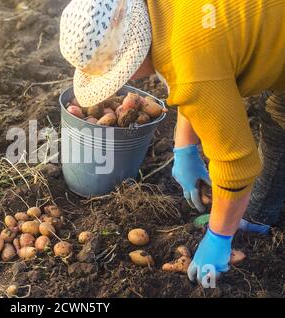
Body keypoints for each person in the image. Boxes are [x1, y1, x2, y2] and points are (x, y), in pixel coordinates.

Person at [59, 0, 284, 284]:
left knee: (278, 118)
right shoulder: (165, 12)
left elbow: (236, 165)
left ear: (132, 56)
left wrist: (219, 237)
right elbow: (204, 68)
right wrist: (184, 147)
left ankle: (256, 217)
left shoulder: (189, 64)